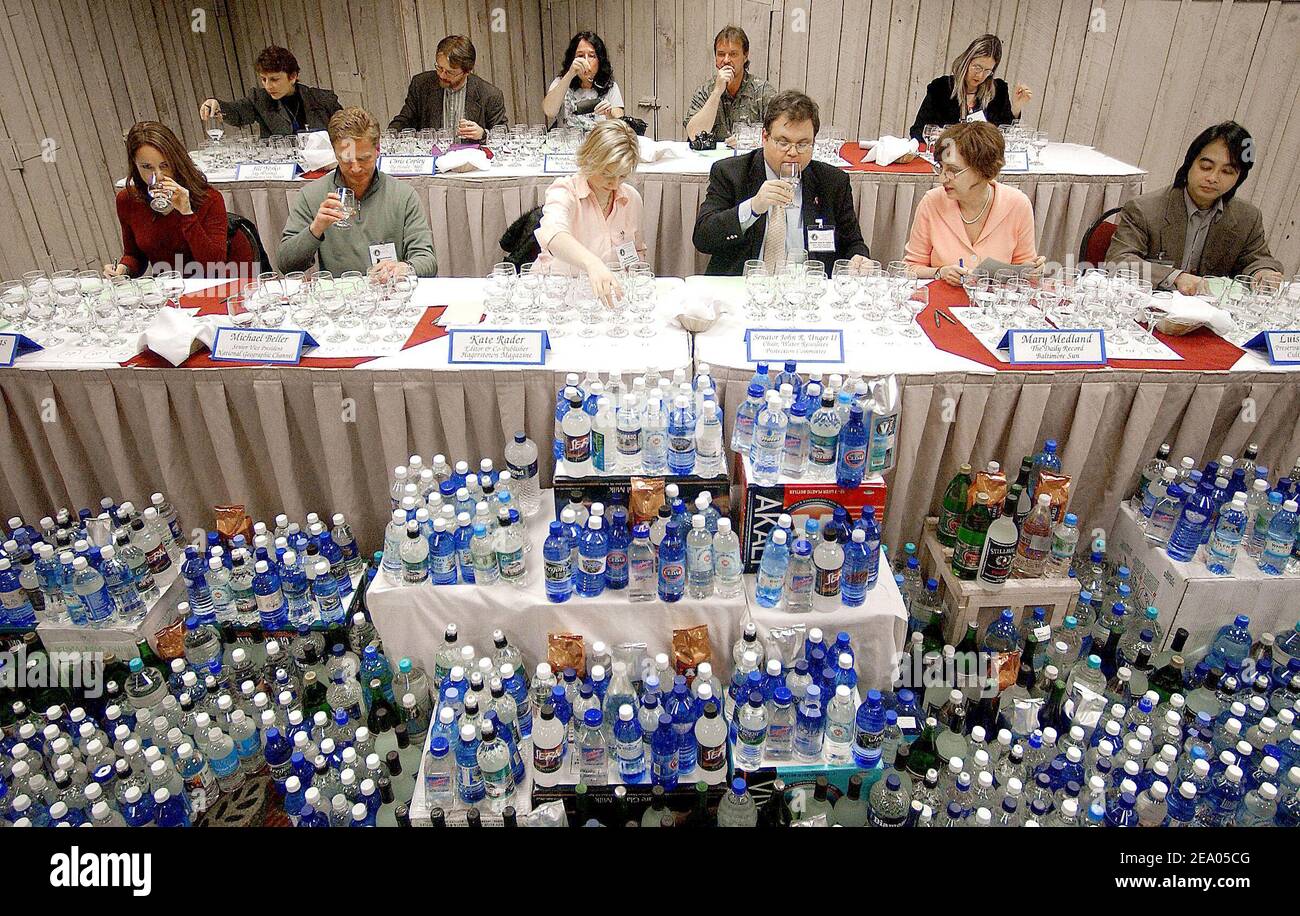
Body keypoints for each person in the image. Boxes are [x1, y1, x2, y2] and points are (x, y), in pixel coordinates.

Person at [693, 90, 872, 276]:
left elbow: (853, 243)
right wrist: (753, 207)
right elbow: (703, 238)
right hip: (744, 287)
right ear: (765, 137)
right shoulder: (731, 173)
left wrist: (859, 258)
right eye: (783, 142)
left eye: (803, 144)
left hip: (805, 290)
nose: (793, 152)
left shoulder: (832, 182)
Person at [1105, 121, 1284, 293]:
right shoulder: (1144, 209)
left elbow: (1258, 259)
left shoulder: (1247, 217)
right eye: (1206, 167)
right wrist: (1176, 277)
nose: (1213, 178)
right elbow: (1118, 262)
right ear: (1189, 164)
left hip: (1211, 315)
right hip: (1151, 308)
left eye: (1227, 172)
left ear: (1239, 178)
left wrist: (1263, 272)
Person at [278, 107, 436, 278]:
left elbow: (427, 261)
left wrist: (404, 268)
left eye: (364, 158)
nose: (355, 168)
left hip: (390, 294)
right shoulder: (312, 196)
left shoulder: (403, 195)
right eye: (346, 160)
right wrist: (315, 229)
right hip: (341, 299)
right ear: (334, 154)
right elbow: (286, 264)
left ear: (378, 150)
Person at [904, 121, 1042, 283]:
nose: (942, 178)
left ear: (984, 170)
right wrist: (939, 272)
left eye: (953, 171)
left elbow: (1024, 269)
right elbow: (909, 268)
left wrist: (1034, 271)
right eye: (940, 168)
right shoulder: (932, 202)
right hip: (941, 301)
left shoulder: (1018, 204)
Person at [535, 120, 646, 309]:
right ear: (589, 160)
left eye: (622, 176)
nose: (615, 184)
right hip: (558, 294)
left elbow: (635, 255)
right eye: (607, 174)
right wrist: (592, 263)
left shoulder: (631, 199)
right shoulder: (565, 191)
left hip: (607, 299)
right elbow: (552, 235)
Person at [104, 121, 228, 279]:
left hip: (207, 288)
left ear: (176, 162)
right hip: (165, 289)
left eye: (165, 165)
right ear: (135, 166)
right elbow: (135, 255)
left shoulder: (209, 198)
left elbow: (215, 266)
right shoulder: (128, 200)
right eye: (147, 167)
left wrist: (187, 213)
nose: (159, 176)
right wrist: (123, 269)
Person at [908, 35, 1031, 142]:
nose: (981, 75)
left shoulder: (998, 91)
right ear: (966, 62)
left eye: (988, 71)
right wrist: (939, 135)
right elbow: (917, 131)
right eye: (977, 67)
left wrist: (1016, 107)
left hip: (981, 161)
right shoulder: (940, 88)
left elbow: (1005, 133)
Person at [199, 46, 341, 138]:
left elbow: (345, 132)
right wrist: (217, 105)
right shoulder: (260, 99)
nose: (268, 86)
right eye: (263, 79)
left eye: (274, 79)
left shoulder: (322, 99)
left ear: (293, 77)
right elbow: (237, 113)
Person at [387, 35, 508, 140]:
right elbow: (404, 120)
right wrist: (388, 137)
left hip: (471, 162)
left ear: (467, 72)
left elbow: (503, 136)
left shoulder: (490, 95)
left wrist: (483, 134)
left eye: (450, 72)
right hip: (434, 160)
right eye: (439, 67)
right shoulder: (421, 85)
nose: (441, 75)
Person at [682, 25, 775, 144]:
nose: (726, 60)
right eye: (721, 54)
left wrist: (747, 140)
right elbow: (694, 135)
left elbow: (779, 134)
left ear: (745, 56)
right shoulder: (705, 91)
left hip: (748, 159)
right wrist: (716, 93)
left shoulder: (762, 91)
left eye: (733, 54)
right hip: (713, 161)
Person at [543, 31, 624, 130]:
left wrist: (609, 114)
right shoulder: (561, 81)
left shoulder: (610, 85)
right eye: (580, 56)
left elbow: (620, 125)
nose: (585, 61)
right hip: (568, 142)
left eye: (592, 56)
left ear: (599, 60)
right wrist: (570, 74)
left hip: (598, 142)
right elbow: (549, 111)